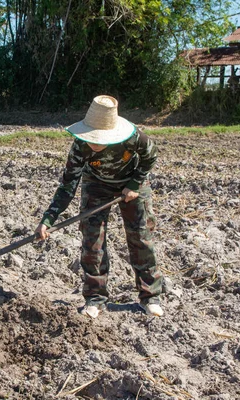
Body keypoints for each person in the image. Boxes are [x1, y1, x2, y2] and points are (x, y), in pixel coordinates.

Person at [35, 95, 163, 319]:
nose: (93, 142)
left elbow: (150, 156)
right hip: (96, 185)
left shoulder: (134, 138)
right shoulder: (79, 147)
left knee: (140, 237)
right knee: (92, 241)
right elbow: (67, 186)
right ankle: (95, 298)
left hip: (132, 183)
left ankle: (150, 296)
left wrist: (134, 184)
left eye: (99, 138)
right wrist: (48, 220)